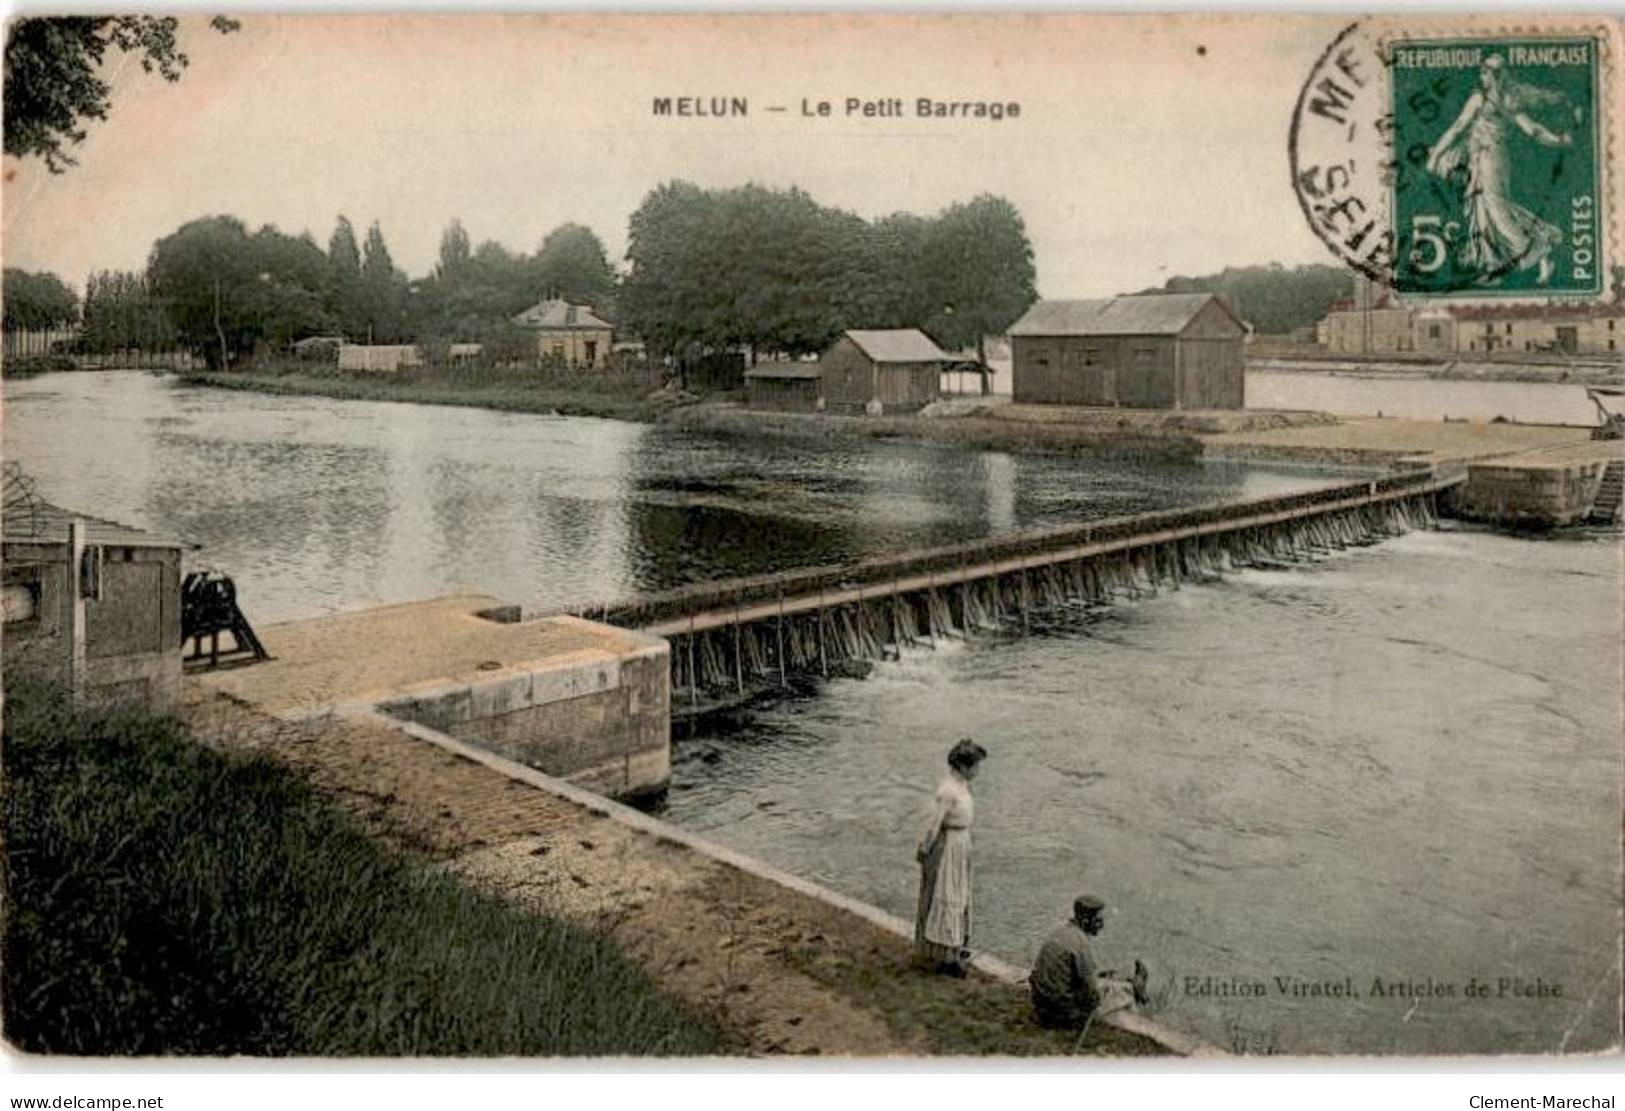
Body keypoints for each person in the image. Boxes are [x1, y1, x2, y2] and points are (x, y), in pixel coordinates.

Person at [1425, 55, 1579, 286]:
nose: (1482, 76)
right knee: (1484, 209)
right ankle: (1499, 264)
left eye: (1486, 72)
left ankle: (1535, 249)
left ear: (1495, 75)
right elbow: (1534, 131)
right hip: (1482, 158)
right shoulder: (1505, 99)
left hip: (1489, 159)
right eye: (1482, 72)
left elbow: (1458, 128)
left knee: (1496, 211)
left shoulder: (1487, 99)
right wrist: (1559, 141)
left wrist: (1436, 155)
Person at [914, 738, 987, 975]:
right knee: (947, 895)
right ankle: (945, 955)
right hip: (948, 846)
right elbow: (933, 824)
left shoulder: (962, 786)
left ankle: (955, 947)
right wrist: (925, 850)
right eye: (975, 766)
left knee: (959, 895)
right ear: (963, 766)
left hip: (961, 842)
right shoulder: (947, 790)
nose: (977, 771)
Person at [1029, 895, 1151, 1031]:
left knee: (1102, 981)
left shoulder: (1059, 931)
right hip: (1062, 1017)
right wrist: (1101, 989)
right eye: (1098, 921)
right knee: (1121, 994)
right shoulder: (1081, 944)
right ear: (1086, 921)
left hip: (1040, 1006)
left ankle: (1132, 987)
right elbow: (1092, 998)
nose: (1102, 925)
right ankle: (1136, 992)